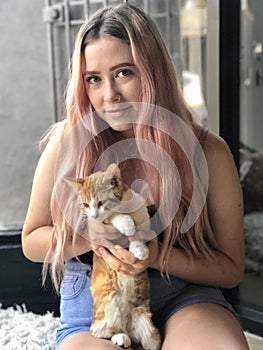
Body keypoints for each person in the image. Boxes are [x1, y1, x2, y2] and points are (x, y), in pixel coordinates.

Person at [22, 3, 249, 350]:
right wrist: (90, 235)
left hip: (181, 293)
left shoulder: (207, 151)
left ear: (153, 71)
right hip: (98, 305)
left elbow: (231, 268)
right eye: (93, 79)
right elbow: (31, 241)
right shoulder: (69, 142)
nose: (108, 94)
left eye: (124, 72)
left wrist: (157, 256)